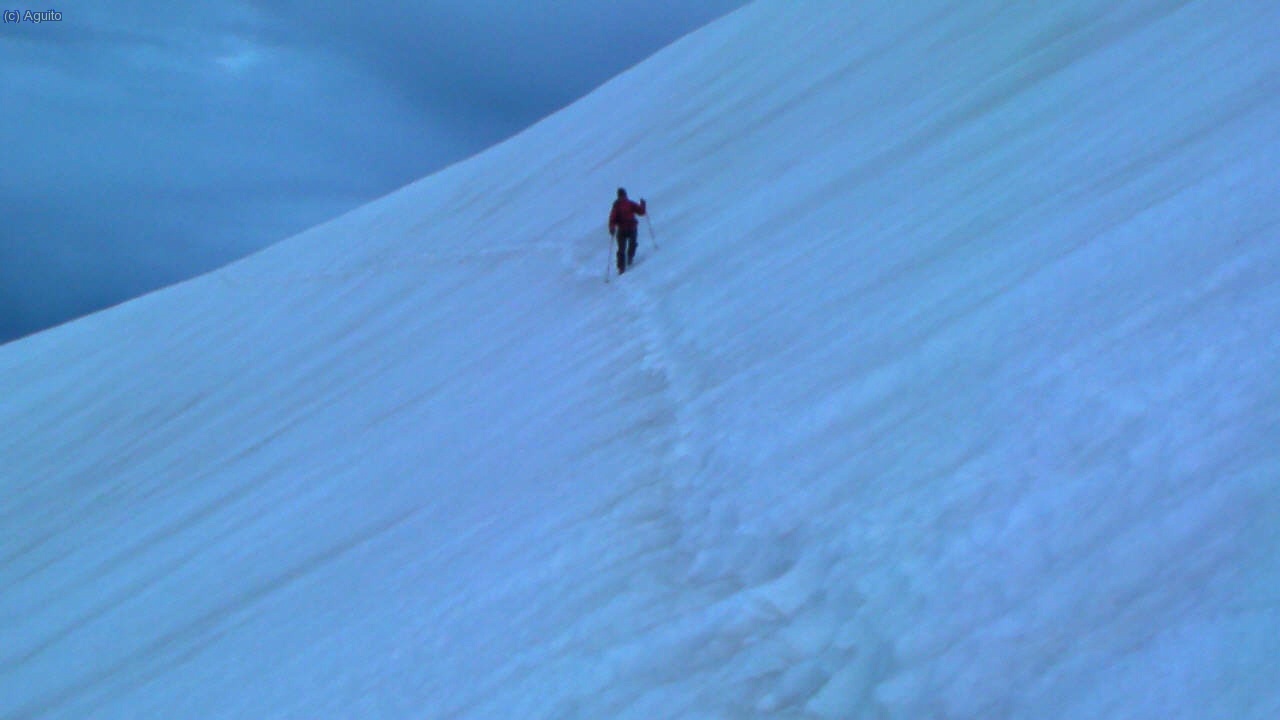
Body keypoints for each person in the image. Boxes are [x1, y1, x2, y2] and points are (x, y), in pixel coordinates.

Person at [608, 188, 646, 274]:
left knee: (627, 246)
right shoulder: (620, 205)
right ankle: (624, 264)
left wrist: (612, 227)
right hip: (627, 229)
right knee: (624, 247)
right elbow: (641, 211)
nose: (623, 197)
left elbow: (641, 211)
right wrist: (612, 227)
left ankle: (627, 261)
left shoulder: (624, 204)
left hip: (627, 228)